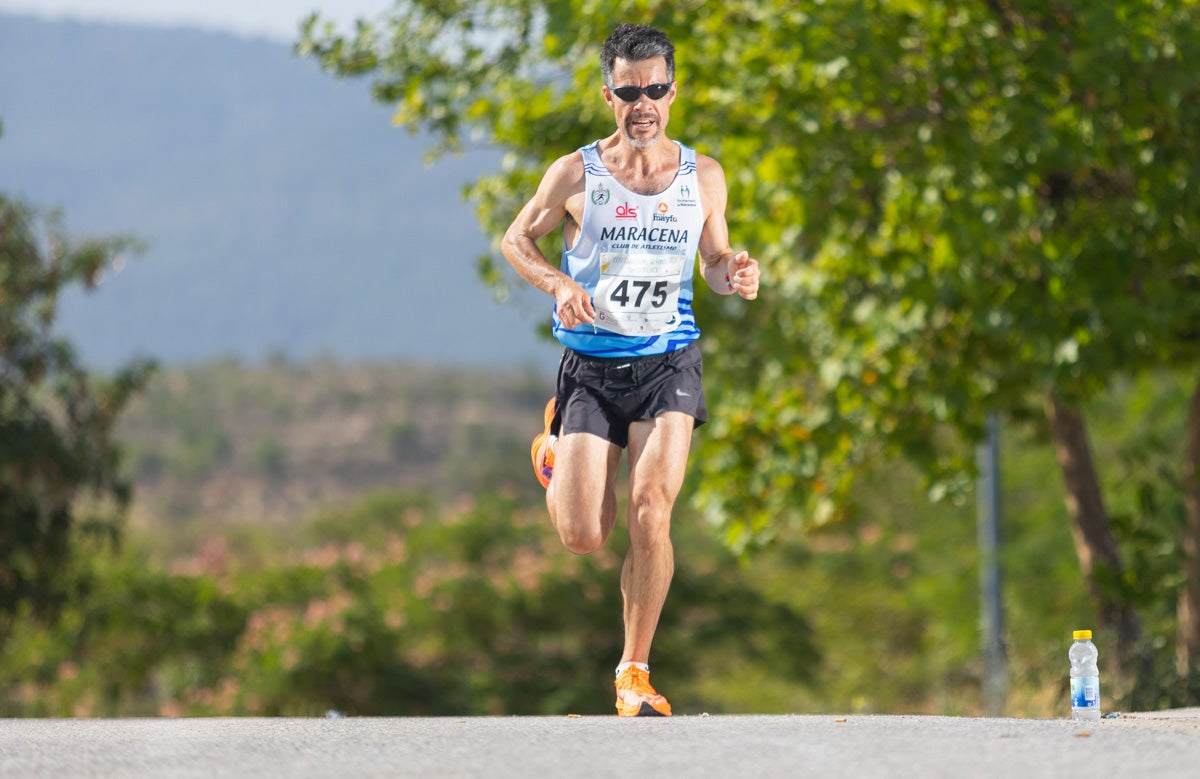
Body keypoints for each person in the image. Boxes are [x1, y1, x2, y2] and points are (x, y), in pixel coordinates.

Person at [500, 23, 760, 717]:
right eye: (628, 91)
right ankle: (554, 449)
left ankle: (634, 670)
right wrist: (557, 284)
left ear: (674, 91)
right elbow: (515, 237)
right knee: (585, 534)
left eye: (656, 89)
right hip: (591, 367)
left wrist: (731, 270)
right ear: (608, 93)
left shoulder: (703, 176)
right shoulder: (575, 173)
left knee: (652, 512)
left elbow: (712, 259)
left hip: (669, 362)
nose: (643, 102)